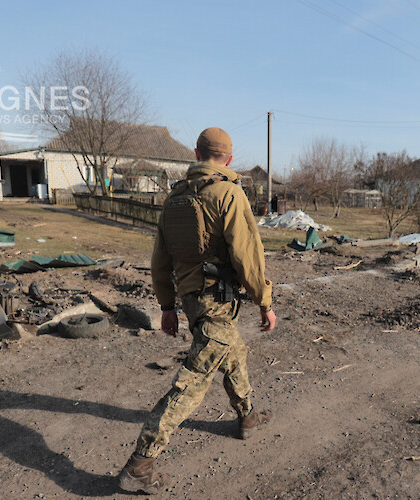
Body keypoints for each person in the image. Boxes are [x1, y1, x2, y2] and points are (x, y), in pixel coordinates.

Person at [118, 127, 277, 494]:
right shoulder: (229, 194)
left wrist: (167, 306)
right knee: (191, 383)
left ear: (196, 153)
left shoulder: (174, 199)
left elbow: (160, 259)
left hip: (191, 302)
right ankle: (140, 463)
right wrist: (264, 302)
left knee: (234, 354)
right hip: (217, 302)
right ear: (230, 160)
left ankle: (248, 418)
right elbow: (248, 256)